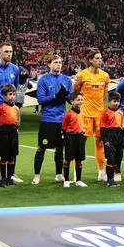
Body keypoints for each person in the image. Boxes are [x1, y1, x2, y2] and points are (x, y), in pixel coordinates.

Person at [32, 53, 71, 185]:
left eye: (60, 62)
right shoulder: (43, 80)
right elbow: (41, 100)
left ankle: (58, 174)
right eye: (55, 62)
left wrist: (67, 96)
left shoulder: (66, 79)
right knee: (41, 147)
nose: (58, 64)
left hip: (62, 119)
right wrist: (56, 95)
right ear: (49, 64)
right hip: (48, 119)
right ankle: (37, 175)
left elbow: (71, 100)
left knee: (60, 148)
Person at [73, 51, 110, 181]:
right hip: (85, 114)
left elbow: (104, 94)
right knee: (81, 143)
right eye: (97, 58)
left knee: (100, 143)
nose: (100, 60)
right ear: (90, 60)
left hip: (100, 114)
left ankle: (101, 172)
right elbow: (75, 90)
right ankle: (77, 172)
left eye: (101, 58)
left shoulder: (105, 76)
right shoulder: (82, 75)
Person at [0, 83, 21, 187]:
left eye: (13, 94)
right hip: (3, 133)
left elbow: (17, 121)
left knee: (12, 156)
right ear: (4, 96)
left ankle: (10, 177)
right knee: (4, 156)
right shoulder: (1, 107)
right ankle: (3, 178)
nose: (12, 96)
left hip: (13, 133)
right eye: (10, 94)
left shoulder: (16, 108)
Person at [61, 92, 88, 187]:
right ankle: (67, 180)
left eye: (81, 99)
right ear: (72, 102)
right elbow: (64, 127)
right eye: (78, 100)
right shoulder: (68, 114)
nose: (80, 101)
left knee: (79, 159)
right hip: (70, 138)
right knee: (67, 159)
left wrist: (84, 129)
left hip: (80, 138)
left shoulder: (82, 113)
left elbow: (84, 124)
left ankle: (79, 180)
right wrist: (65, 139)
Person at [100, 91, 124, 188]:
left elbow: (123, 127)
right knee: (111, 158)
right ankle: (109, 179)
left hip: (119, 136)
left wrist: (123, 139)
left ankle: (113, 177)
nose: (116, 103)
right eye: (114, 101)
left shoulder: (120, 113)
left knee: (117, 158)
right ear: (109, 102)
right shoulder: (105, 113)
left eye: (118, 101)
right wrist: (105, 140)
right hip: (110, 136)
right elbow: (102, 128)